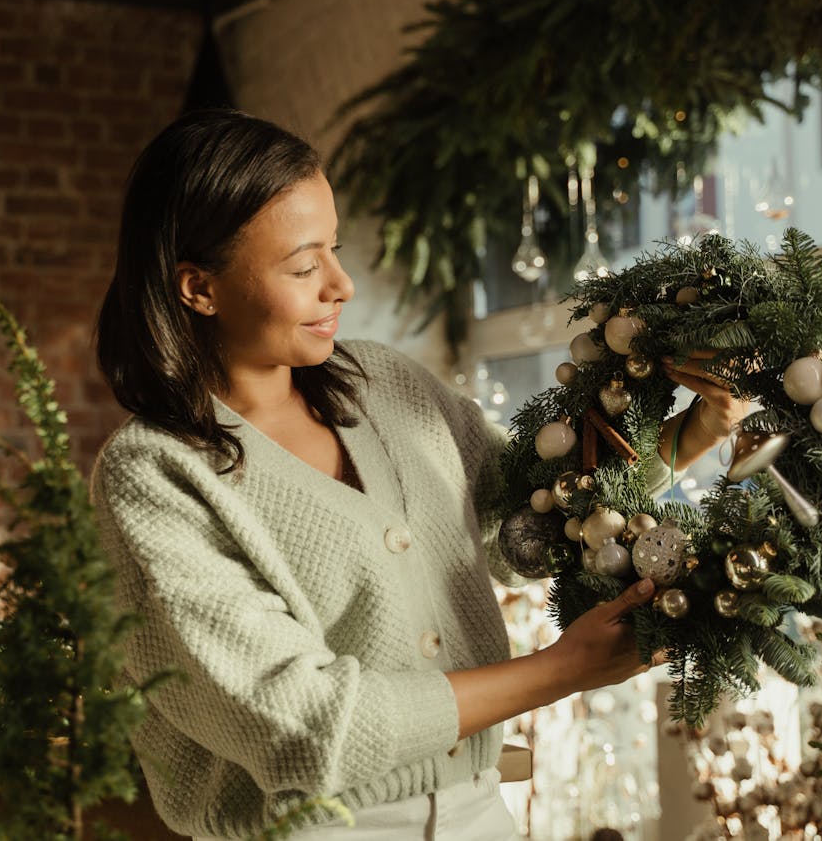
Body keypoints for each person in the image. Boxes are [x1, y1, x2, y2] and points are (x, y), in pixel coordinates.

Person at [91, 109, 741, 840]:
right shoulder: (154, 474)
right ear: (198, 288)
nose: (341, 285)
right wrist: (560, 670)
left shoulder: (384, 384)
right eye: (305, 266)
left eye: (333, 251)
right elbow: (300, 725)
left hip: (478, 810)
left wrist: (691, 433)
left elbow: (524, 521)